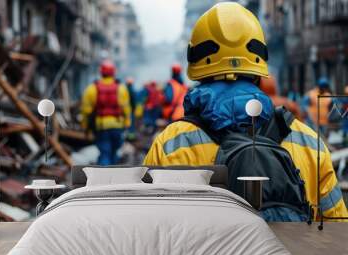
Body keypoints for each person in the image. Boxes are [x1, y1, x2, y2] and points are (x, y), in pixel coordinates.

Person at [144, 2, 348, 221]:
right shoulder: (308, 142)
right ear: (260, 64)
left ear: (196, 62)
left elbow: (148, 230)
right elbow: (337, 231)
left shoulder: (171, 144)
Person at [80, 60, 131, 165]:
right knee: (114, 152)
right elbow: (126, 109)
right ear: (113, 72)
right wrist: (127, 124)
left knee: (104, 152)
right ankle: (114, 175)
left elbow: (86, 111)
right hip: (117, 126)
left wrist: (85, 127)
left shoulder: (92, 89)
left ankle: (104, 176)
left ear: (101, 72)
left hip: (101, 126)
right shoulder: (121, 88)